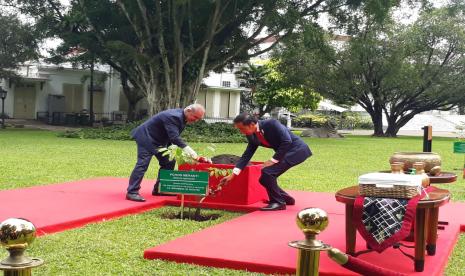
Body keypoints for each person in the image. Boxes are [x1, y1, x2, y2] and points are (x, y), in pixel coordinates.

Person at [219, 113, 312, 211]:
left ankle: (278, 202)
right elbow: (248, 154)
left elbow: (287, 141)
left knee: (268, 173)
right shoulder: (251, 135)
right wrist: (233, 174)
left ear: (251, 124)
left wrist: (272, 160)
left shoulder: (271, 124)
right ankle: (285, 199)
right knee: (264, 178)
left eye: (241, 128)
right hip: (285, 153)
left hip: (298, 150)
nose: (241, 132)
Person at [126, 104, 207, 202]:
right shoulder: (174, 116)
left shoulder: (182, 116)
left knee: (169, 161)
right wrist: (192, 153)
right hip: (146, 138)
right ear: (189, 110)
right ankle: (132, 192)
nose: (196, 120)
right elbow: (174, 137)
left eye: (198, 119)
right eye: (195, 117)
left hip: (159, 140)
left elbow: (170, 135)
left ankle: (160, 189)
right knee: (143, 164)